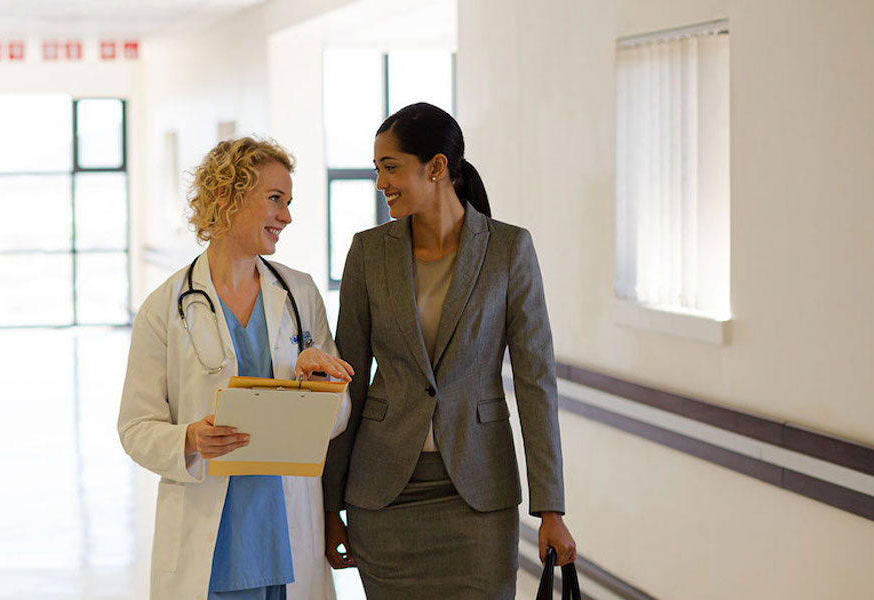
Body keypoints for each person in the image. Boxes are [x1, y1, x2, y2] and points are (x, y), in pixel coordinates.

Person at [323, 103, 576, 599]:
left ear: (436, 167)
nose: (381, 183)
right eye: (377, 170)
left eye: (390, 167)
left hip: (479, 499)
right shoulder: (368, 252)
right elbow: (345, 383)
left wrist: (552, 509)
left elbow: (535, 383)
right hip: (383, 496)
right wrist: (329, 506)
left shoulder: (508, 250)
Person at [118, 137, 354, 600]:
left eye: (288, 202)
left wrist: (320, 385)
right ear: (227, 196)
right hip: (211, 542)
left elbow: (340, 412)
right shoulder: (165, 307)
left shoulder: (300, 295)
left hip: (287, 536)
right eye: (274, 199)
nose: (286, 216)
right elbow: (135, 427)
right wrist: (188, 438)